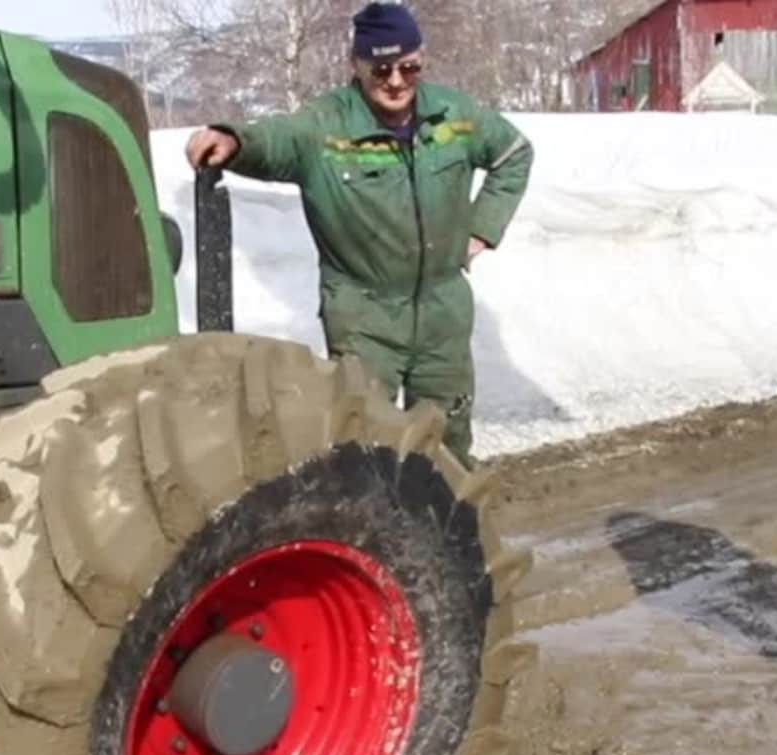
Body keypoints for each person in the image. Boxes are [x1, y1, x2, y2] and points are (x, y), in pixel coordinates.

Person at [183, 1, 533, 465]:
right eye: (381, 69)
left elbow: (514, 155)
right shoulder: (326, 127)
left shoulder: (455, 115)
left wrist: (481, 231)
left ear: (420, 60)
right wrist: (232, 141)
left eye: (408, 68)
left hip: (442, 313)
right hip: (365, 319)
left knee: (446, 446)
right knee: (369, 448)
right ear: (356, 64)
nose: (395, 81)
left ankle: (446, 533)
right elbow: (276, 139)